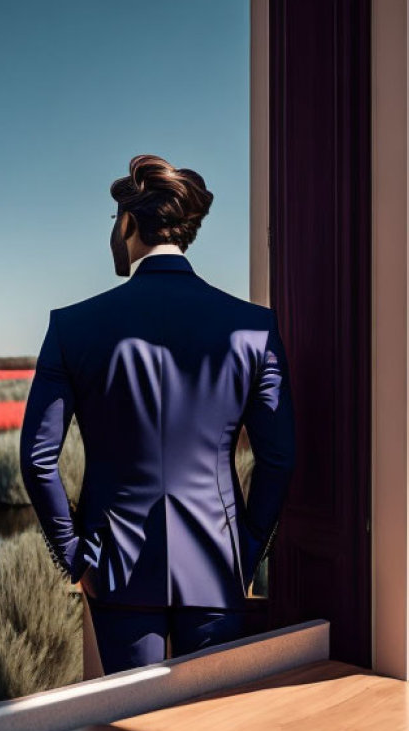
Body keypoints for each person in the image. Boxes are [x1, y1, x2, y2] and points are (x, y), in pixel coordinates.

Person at [19, 154, 297, 674]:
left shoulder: (72, 326)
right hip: (219, 562)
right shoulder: (254, 328)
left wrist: (73, 557)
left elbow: (37, 461)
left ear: (127, 223)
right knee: (211, 730)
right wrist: (248, 552)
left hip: (113, 567)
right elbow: (278, 458)